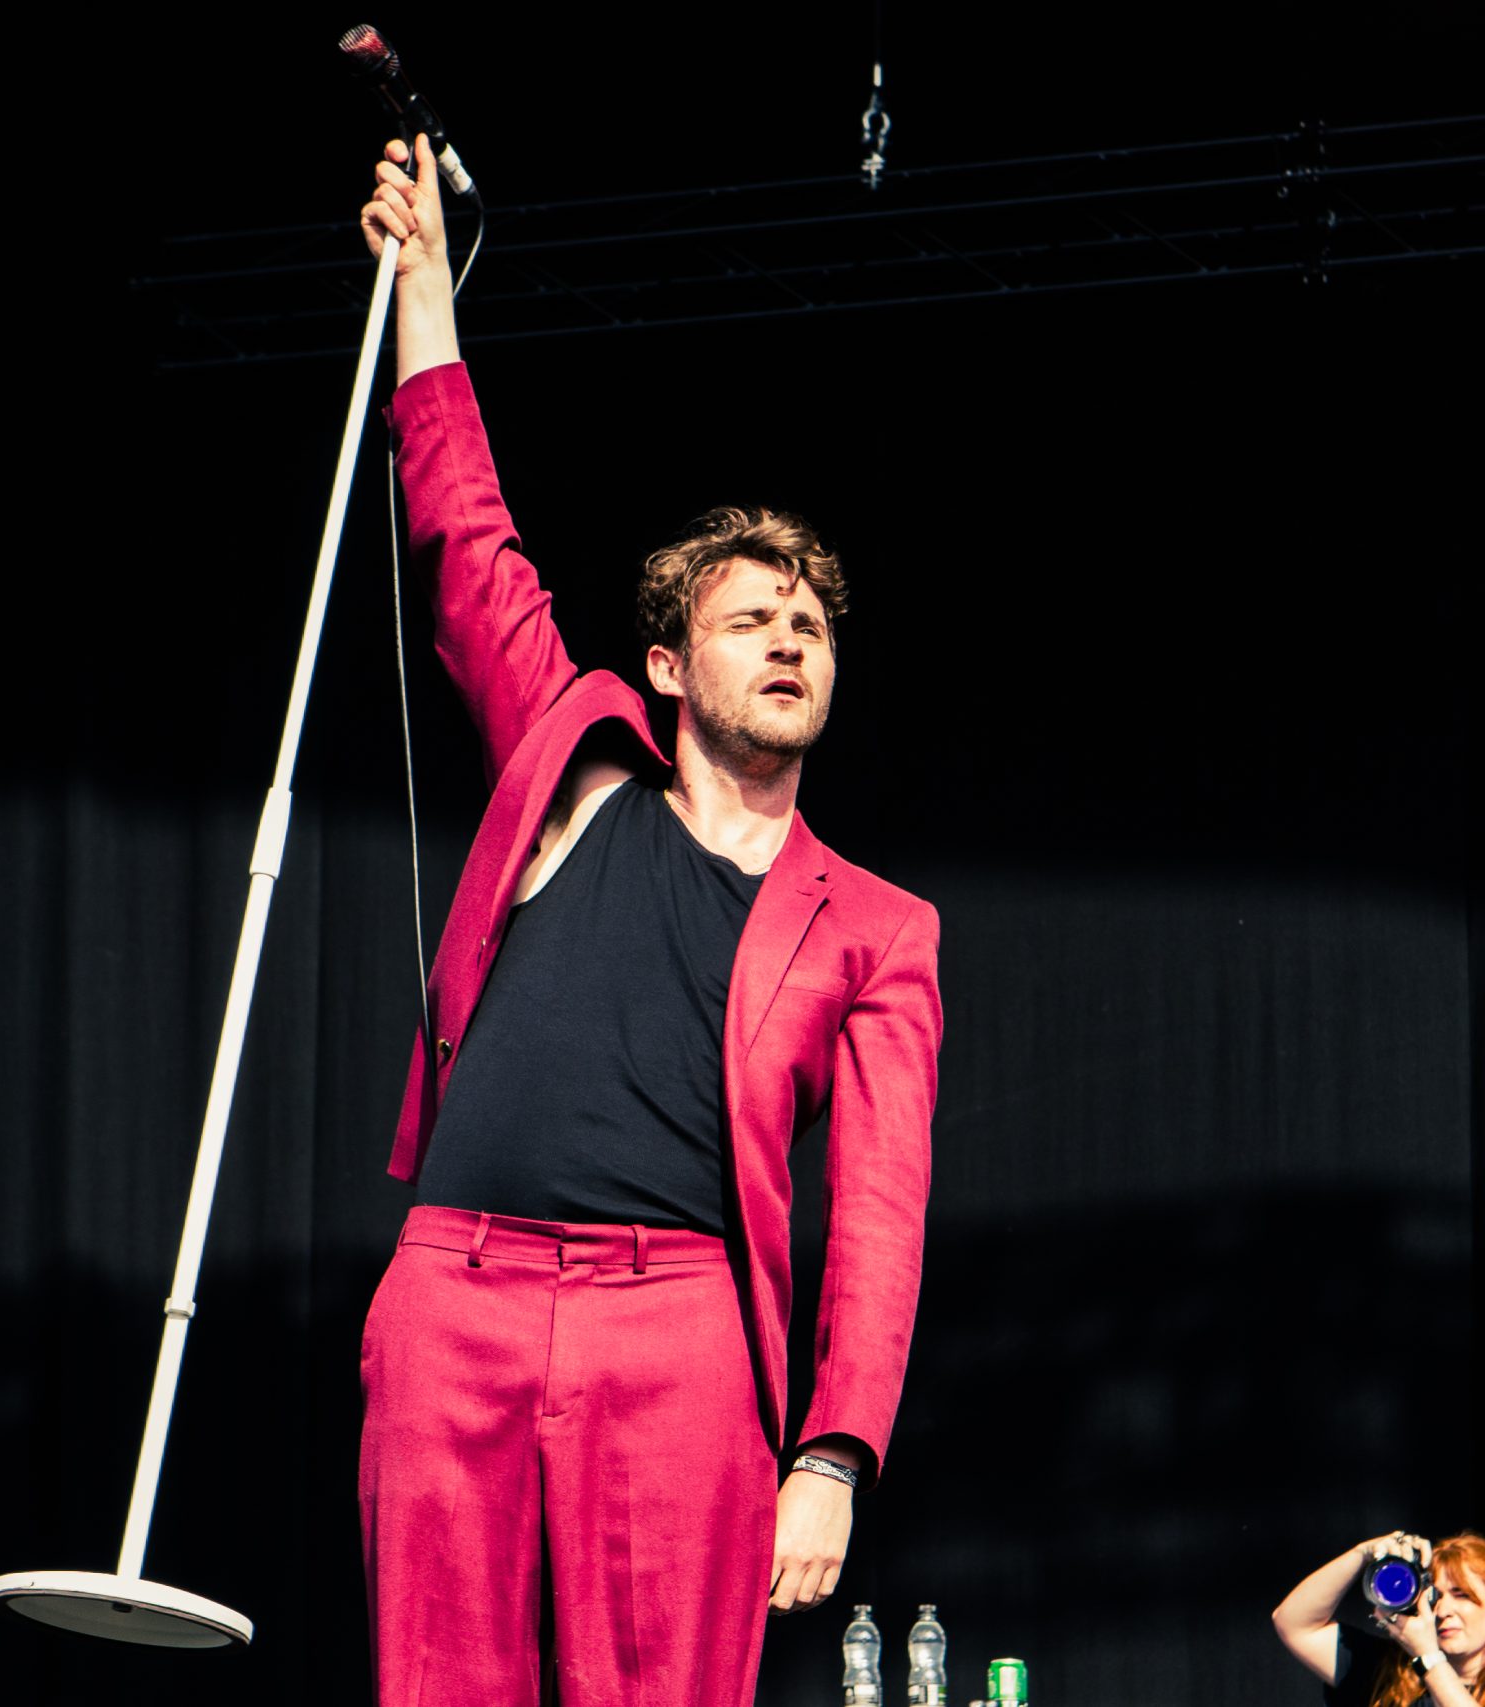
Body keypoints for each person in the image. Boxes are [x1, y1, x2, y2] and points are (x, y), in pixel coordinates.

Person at [351, 135, 942, 1707]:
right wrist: (426, 292)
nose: (791, 639)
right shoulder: (577, 778)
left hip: (678, 1324)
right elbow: (467, 539)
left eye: (811, 623)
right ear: (671, 666)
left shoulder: (879, 928)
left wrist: (832, 1451)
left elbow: (878, 1215)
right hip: (457, 1290)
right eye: (751, 618)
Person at [1272, 1530, 1485, 1706]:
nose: (1443, 1611)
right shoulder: (1393, 1674)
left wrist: (1428, 1657)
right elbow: (1294, 1623)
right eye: (1435, 1597)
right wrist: (1364, 1553)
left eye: (1462, 1595)